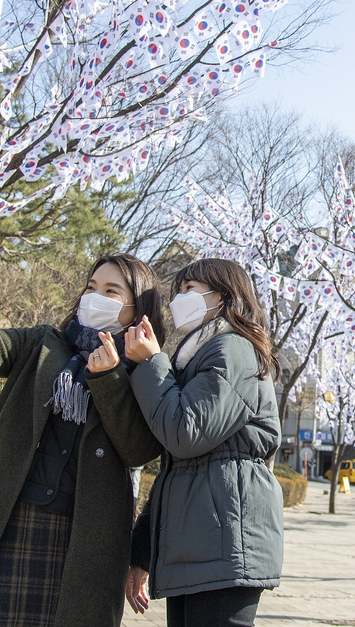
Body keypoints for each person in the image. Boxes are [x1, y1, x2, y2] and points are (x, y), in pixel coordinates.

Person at [0, 223, 165, 627]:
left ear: (136, 310)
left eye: (111, 292)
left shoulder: (146, 372)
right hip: (7, 519)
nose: (95, 296)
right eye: (91, 286)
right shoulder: (43, 344)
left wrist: (108, 379)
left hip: (84, 539)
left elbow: (139, 450)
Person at [122, 257, 284, 627]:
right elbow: (178, 469)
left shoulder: (234, 350)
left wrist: (151, 363)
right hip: (201, 544)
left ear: (224, 297)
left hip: (224, 543)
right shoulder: (197, 358)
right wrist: (143, 552)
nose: (179, 300)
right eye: (177, 291)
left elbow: (185, 434)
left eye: (190, 290)